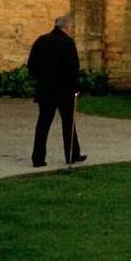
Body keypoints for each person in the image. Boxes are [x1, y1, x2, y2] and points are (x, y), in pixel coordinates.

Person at [27, 15, 85, 166]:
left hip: (45, 89)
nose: (72, 31)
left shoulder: (41, 41)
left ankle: (38, 158)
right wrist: (75, 87)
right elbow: (73, 67)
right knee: (68, 122)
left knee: (43, 123)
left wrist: (41, 78)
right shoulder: (67, 43)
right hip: (64, 90)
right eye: (72, 28)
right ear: (66, 27)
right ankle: (71, 155)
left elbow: (31, 65)